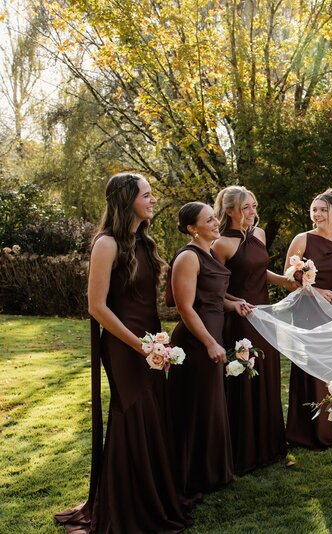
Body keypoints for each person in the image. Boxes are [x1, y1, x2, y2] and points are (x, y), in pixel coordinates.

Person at [55, 172, 190, 533]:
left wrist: (158, 341)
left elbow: (148, 301)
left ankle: (151, 498)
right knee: (132, 414)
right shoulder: (107, 244)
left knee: (153, 416)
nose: (152, 199)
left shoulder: (142, 242)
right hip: (123, 345)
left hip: (150, 343)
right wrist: (139, 345)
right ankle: (125, 505)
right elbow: (97, 307)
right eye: (146, 194)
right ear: (126, 199)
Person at [212, 186, 298, 474]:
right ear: (230, 211)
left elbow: (260, 272)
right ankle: (243, 449)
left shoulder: (258, 235)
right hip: (239, 319)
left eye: (254, 205)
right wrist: (233, 306)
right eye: (247, 207)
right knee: (243, 379)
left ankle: (269, 445)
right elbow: (213, 290)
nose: (253, 212)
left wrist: (285, 281)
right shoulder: (220, 244)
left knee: (266, 374)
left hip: (264, 316)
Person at [166, 202, 240, 499]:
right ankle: (191, 476)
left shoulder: (209, 251)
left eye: (214, 217)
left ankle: (211, 473)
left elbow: (210, 295)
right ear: (191, 228)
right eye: (208, 220)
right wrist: (209, 341)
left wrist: (231, 304)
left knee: (210, 405)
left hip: (213, 332)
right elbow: (185, 306)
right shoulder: (188, 257)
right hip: (195, 342)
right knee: (196, 407)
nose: (215, 222)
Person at [284, 188, 332, 449]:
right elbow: (289, 280)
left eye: (323, 210)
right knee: (309, 365)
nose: (317, 214)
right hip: (308, 310)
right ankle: (306, 429)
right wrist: (316, 291)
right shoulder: (302, 240)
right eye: (314, 209)